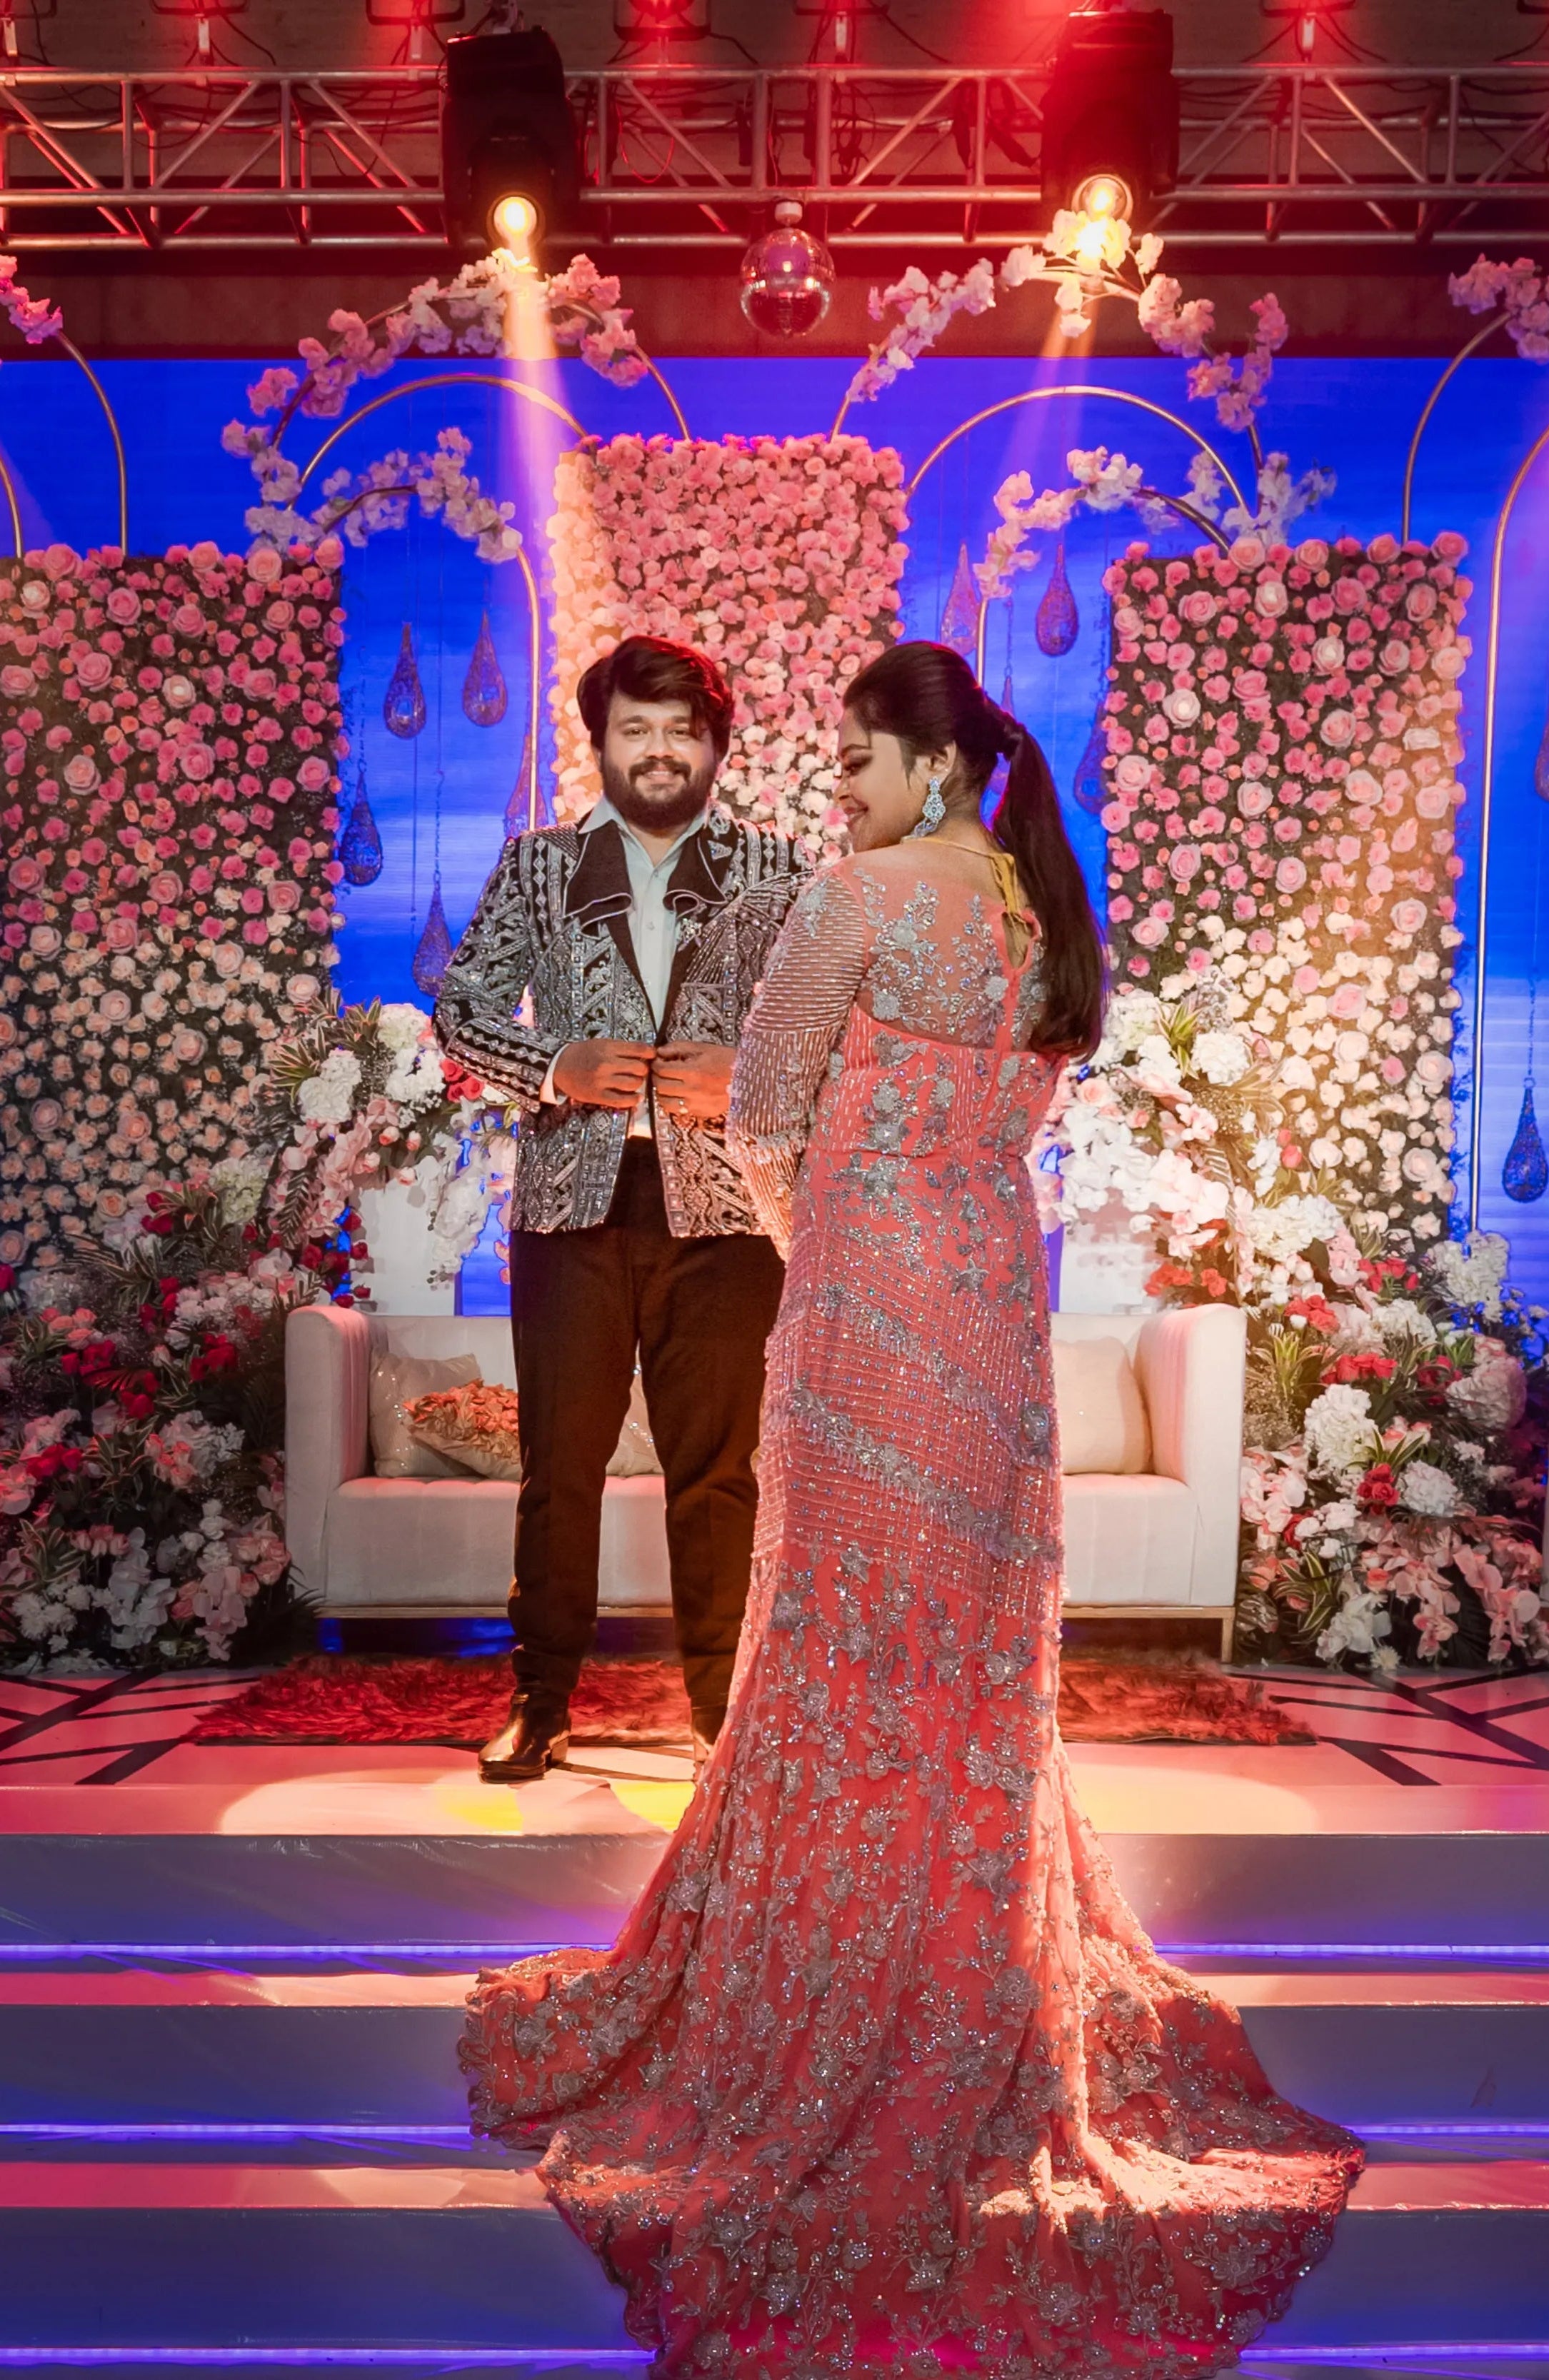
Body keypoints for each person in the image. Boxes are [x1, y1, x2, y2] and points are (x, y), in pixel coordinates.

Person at [459, 642, 1361, 2374]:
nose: (842, 793)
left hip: (871, 1307)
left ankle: (821, 1978)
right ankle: (976, 1977)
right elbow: (1011, 1111)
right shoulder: (1040, 910)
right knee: (964, 1659)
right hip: (994, 1306)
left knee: (835, 1639)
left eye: (858, 765)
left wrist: (827, 1247)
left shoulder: (856, 896)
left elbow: (764, 1117)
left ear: (927, 766)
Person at [434, 633, 810, 1782]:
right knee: (560, 1467)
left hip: (726, 1213)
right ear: (597, 741)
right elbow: (461, 1005)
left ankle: (720, 1712)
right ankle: (540, 1700)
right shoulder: (539, 865)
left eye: (678, 732)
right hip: (570, 1208)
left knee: (719, 1470)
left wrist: (744, 1078)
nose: (656, 751)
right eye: (632, 730)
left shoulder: (776, 868)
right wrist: (554, 1064)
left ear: (716, 745)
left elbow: (827, 1031)